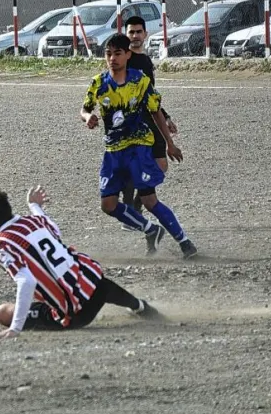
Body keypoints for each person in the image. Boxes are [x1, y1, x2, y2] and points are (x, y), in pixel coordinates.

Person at [0, 185, 163, 340]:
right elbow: (53, 228)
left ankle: (52, 313)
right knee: (84, 275)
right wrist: (34, 205)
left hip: (76, 314)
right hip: (99, 286)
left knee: (1, 313)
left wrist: (15, 328)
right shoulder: (33, 222)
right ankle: (140, 306)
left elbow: (26, 281)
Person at [81, 33, 197, 259]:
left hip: (139, 148)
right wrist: (87, 117)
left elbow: (155, 112)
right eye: (108, 54)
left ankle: (185, 243)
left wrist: (170, 144)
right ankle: (150, 229)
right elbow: (85, 109)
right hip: (113, 151)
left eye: (117, 54)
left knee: (149, 200)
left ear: (127, 55)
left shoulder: (140, 81)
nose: (112, 59)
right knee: (108, 205)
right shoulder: (99, 83)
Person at [119, 15, 178, 234]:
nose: (135, 36)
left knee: (161, 165)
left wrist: (166, 116)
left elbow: (150, 94)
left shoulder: (144, 60)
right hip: (132, 122)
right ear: (126, 34)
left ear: (145, 34)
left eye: (138, 32)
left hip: (151, 118)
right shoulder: (125, 60)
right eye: (131, 32)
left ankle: (136, 206)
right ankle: (131, 213)